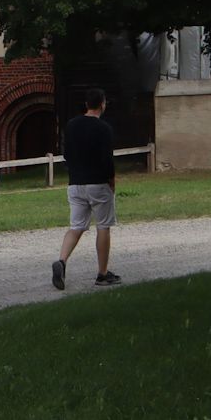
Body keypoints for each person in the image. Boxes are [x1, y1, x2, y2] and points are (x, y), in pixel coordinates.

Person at [52, 87, 119, 290]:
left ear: (86, 105)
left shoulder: (71, 125)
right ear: (102, 104)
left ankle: (62, 261)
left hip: (75, 184)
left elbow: (67, 154)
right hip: (98, 183)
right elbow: (107, 159)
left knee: (77, 226)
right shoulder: (104, 129)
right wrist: (111, 180)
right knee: (103, 226)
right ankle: (102, 273)